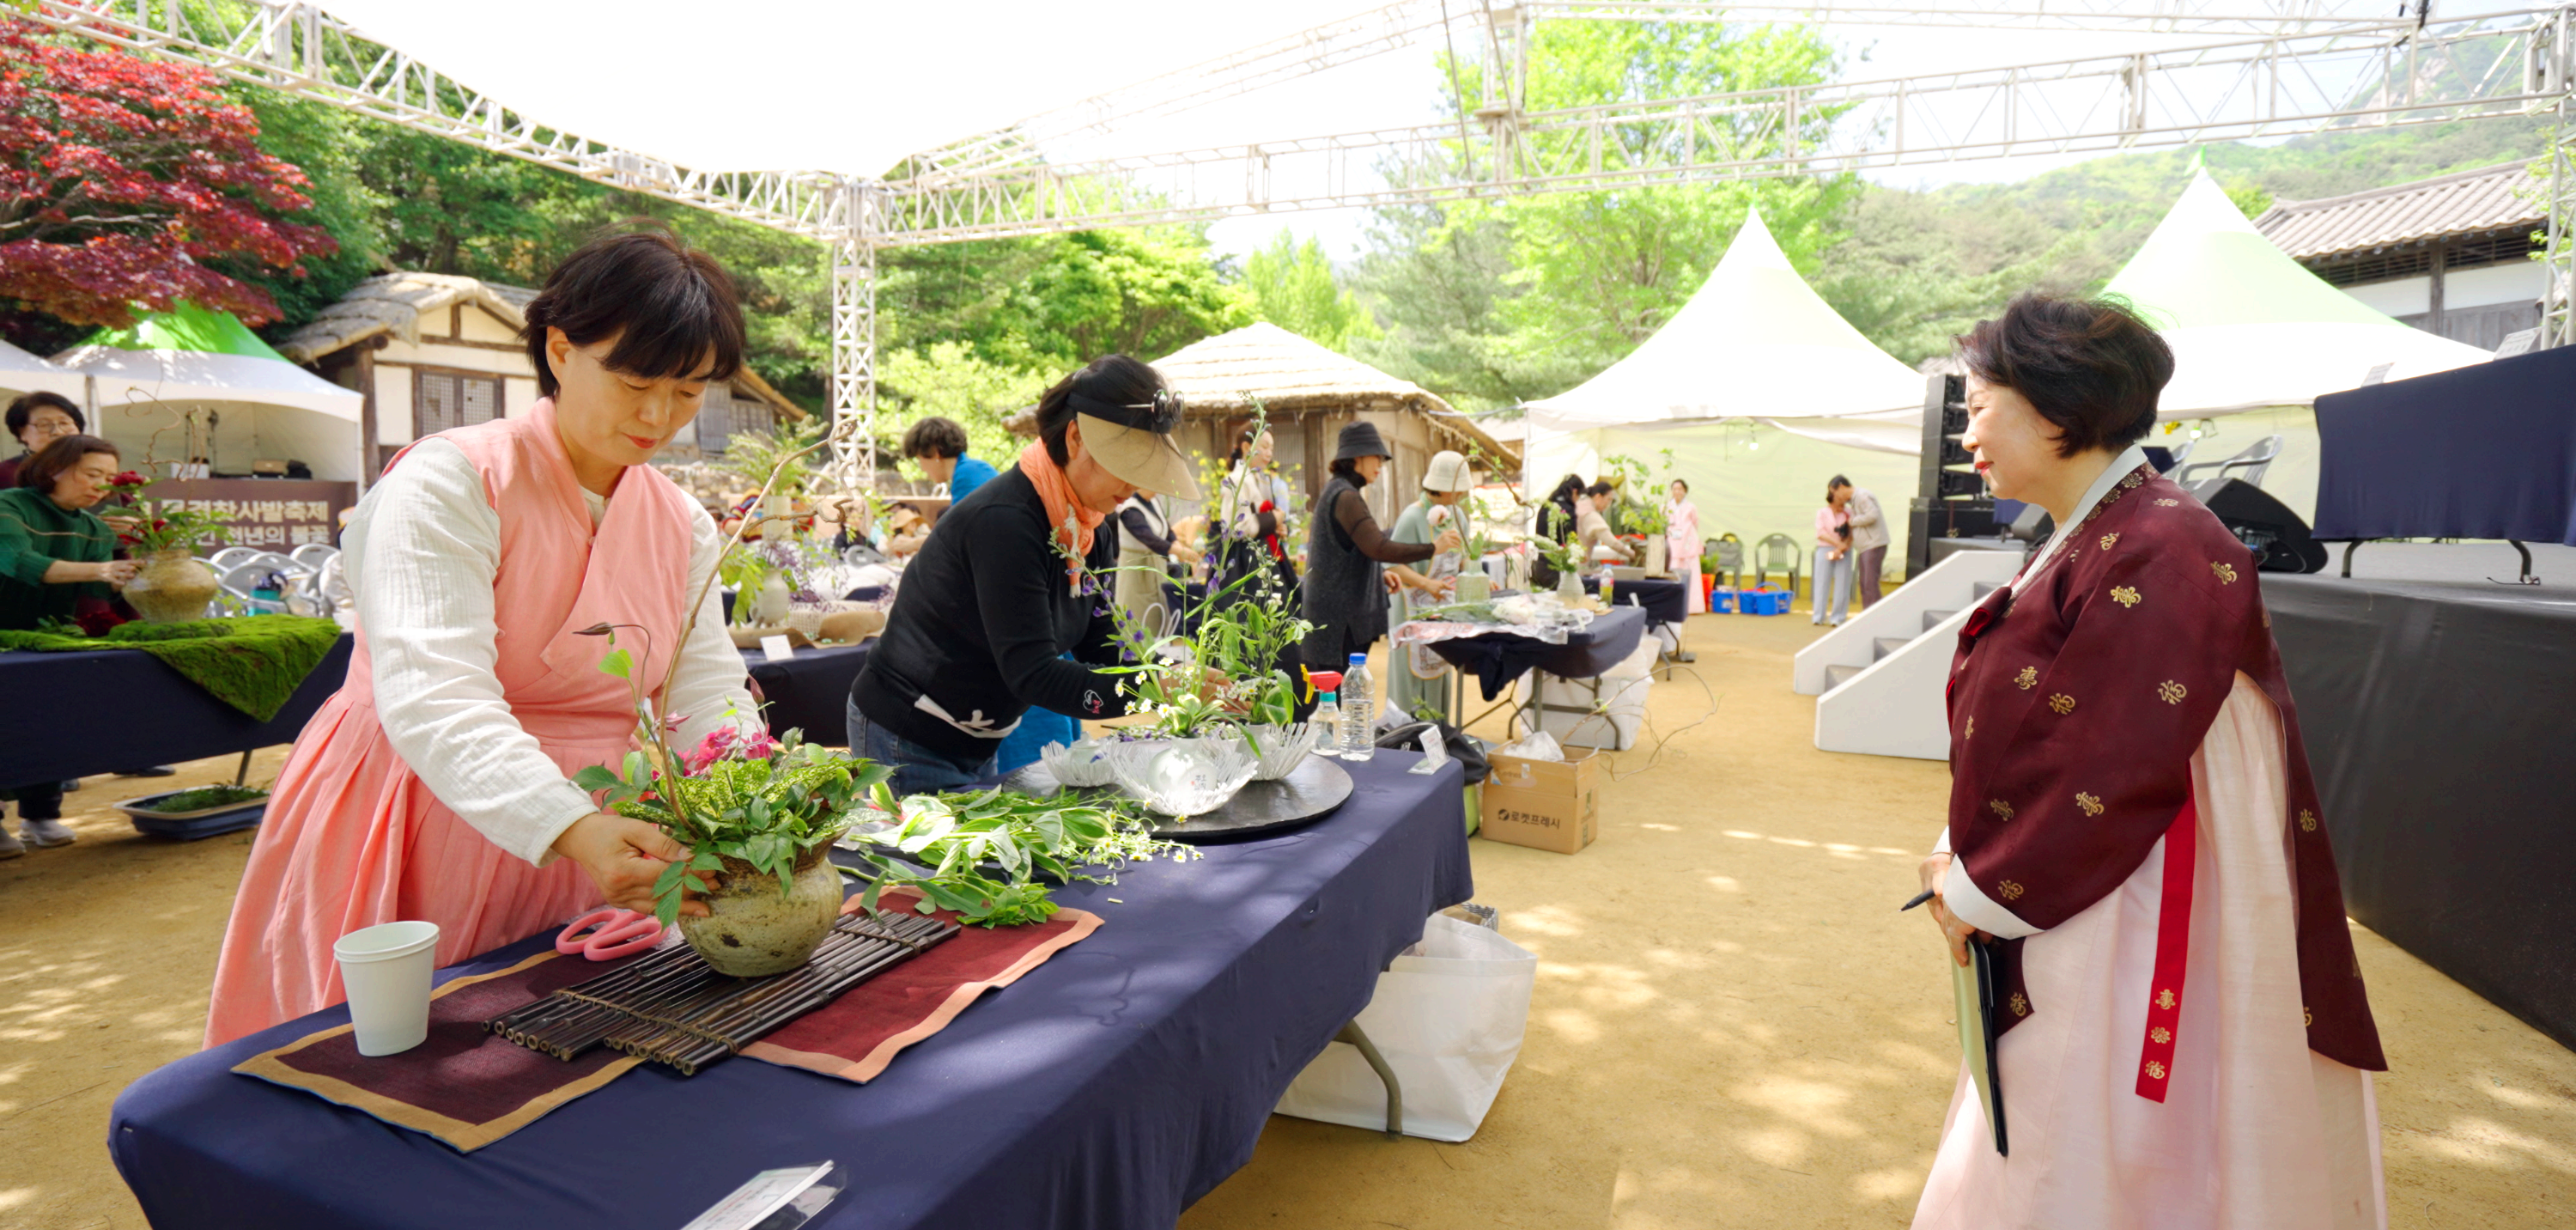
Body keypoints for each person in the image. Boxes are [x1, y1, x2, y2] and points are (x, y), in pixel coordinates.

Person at [204, 225, 766, 1046]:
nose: (658, 416)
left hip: (602, 826)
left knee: (564, 1040)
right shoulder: (450, 480)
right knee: (406, 1051)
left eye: (687, 392)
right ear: (561, 350)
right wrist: (570, 827)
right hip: (423, 796)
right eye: (636, 382)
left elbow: (705, 685)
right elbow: (435, 694)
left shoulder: (681, 520)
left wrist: (752, 805)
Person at [1911, 294, 2384, 1227]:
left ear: (2054, 408)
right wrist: (1960, 850)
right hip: (2090, 868)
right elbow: (2057, 727)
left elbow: (2109, 765)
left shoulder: (2161, 544)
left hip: (2132, 891)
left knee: (2092, 1112)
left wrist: (1976, 887)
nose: (1968, 434)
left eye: (1979, 405)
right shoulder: (2114, 529)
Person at [847, 355, 1203, 795]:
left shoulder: (1092, 528)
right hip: (908, 734)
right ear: (1076, 438)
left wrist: (1175, 676)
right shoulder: (1005, 522)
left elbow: (1103, 645)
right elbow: (1034, 674)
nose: (1134, 483)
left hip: (980, 735)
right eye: (1126, 462)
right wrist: (1155, 689)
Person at [0, 435, 139, 856]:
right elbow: (18, 561)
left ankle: (40, 815)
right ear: (52, 468)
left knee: (45, 720)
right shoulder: (9, 506)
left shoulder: (94, 527)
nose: (102, 486)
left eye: (109, 478)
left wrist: (138, 571)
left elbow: (100, 589)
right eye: (92, 473)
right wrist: (101, 570)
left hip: (47, 636)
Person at [1301, 423, 1458, 690]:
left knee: (1342, 697)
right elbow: (1378, 547)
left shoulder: (1340, 491)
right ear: (1357, 457)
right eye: (1376, 456)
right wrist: (1433, 548)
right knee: (1337, 699)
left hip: (1335, 617)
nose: (1380, 464)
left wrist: (1379, 575)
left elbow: (1357, 548)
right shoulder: (1345, 496)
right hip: (1337, 623)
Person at [1387, 450, 1470, 724]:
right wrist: (1427, 583)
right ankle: (1406, 737)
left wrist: (1474, 576)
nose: (1462, 494)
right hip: (1410, 608)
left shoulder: (1459, 516)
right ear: (1444, 487)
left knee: (1439, 666)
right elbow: (1392, 564)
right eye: (1458, 488)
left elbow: (1464, 559)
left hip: (1441, 607)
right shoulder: (1412, 517)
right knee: (1410, 677)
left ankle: (1438, 733)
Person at [1213, 422, 1297, 606]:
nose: (1269, 453)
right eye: (1264, 447)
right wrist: (1275, 518)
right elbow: (1237, 528)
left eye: (1271, 448)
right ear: (1246, 447)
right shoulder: (1237, 479)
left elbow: (1260, 520)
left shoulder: (1260, 479)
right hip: (1242, 562)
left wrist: (1277, 527)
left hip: (1261, 555)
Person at [1111, 488, 1200, 645]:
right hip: (1137, 570)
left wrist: (1178, 545)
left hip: (1156, 566)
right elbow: (1149, 539)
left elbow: (1167, 532)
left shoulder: (1153, 502)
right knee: (1138, 616)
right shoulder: (1130, 509)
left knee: (1159, 613)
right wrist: (1180, 551)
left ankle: (1158, 652)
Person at [0, 392, 85, 490]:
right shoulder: (6, 473)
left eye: (64, 423)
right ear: (21, 433)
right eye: (44, 425)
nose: (58, 432)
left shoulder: (95, 464)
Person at [902, 416, 997, 498]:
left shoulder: (965, 475)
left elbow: (962, 514)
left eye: (919, 459)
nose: (922, 468)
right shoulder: (978, 468)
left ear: (934, 452)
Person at [1811, 478, 1853, 627]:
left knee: (1842, 583)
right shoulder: (1822, 512)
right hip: (1825, 549)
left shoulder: (1849, 513)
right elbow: (1821, 533)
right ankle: (1818, 616)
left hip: (1844, 550)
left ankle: (1838, 617)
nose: (1842, 501)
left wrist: (1841, 548)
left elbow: (1852, 533)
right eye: (1839, 498)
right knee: (1821, 582)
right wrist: (1837, 545)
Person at [1847, 480, 1889, 608]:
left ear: (1841, 487)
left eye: (1834, 492)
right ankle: (1870, 613)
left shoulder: (1862, 496)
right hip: (1866, 547)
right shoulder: (1855, 499)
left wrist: (1852, 521)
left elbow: (1872, 515)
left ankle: (1875, 614)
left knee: (1869, 584)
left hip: (1873, 545)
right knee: (1865, 584)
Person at [1664, 478, 1704, 614]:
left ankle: (1693, 606)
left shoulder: (1691, 507)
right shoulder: (1666, 507)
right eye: (1674, 489)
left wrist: (1687, 536)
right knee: (1673, 570)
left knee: (1690, 572)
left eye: (1680, 489)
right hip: (1673, 543)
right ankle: (1673, 605)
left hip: (1688, 543)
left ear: (1685, 491)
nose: (1677, 492)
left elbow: (1695, 523)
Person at [1575, 483, 1632, 565]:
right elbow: (1612, 542)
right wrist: (1633, 555)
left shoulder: (1579, 504)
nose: (1609, 505)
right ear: (1598, 497)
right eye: (1609, 499)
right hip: (1578, 565)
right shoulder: (1590, 514)